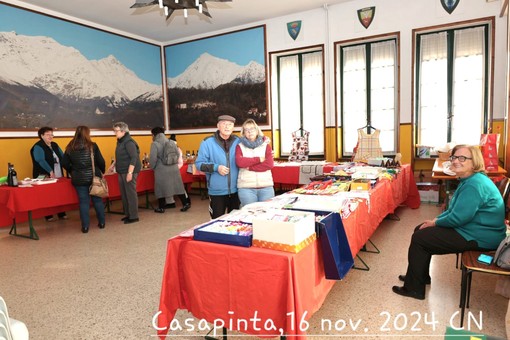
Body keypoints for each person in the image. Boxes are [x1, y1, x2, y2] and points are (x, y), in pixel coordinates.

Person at [393, 144, 507, 300]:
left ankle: (414, 289)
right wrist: (436, 220)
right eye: (454, 157)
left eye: (462, 158)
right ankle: (419, 276)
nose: (456, 161)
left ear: (474, 162)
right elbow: (454, 209)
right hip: (474, 230)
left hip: (480, 237)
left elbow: (458, 218)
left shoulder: (474, 184)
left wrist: (435, 223)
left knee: (420, 238)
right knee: (420, 229)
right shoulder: (470, 179)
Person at [62, 126, 106, 233]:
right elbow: (101, 161)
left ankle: (85, 227)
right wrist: (102, 171)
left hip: (78, 179)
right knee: (97, 200)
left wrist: (72, 170)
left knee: (83, 202)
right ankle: (102, 223)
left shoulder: (70, 146)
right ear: (87, 133)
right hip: (93, 177)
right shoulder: (92, 146)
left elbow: (64, 163)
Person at [195, 114, 240, 219]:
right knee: (216, 223)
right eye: (224, 124)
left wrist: (264, 142)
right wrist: (216, 168)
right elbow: (199, 164)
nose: (227, 127)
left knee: (235, 222)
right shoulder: (207, 142)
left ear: (233, 128)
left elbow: (253, 140)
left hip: (236, 191)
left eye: (230, 124)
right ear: (218, 126)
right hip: (217, 192)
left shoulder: (238, 141)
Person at [149, 127, 191, 213]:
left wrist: (152, 167)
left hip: (161, 169)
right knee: (178, 187)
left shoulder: (155, 144)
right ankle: (185, 203)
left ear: (154, 134)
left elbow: (152, 158)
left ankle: (161, 207)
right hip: (173, 167)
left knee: (160, 188)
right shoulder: (171, 142)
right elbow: (177, 153)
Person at [30, 126, 67, 222]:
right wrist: (50, 171)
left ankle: (61, 213)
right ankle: (48, 215)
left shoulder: (54, 145)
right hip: (44, 174)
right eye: (48, 135)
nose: (50, 137)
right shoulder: (38, 146)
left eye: (52, 134)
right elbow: (40, 160)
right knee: (47, 195)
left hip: (58, 172)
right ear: (42, 136)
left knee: (58, 193)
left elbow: (62, 156)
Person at [235, 118, 275, 207]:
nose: (250, 132)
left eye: (252, 128)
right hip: (246, 188)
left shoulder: (266, 145)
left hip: (266, 187)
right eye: (246, 129)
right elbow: (240, 162)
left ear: (257, 130)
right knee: (249, 215)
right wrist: (258, 159)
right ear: (243, 132)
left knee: (267, 214)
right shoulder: (239, 146)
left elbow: (269, 164)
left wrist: (250, 167)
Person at [110, 122, 142, 224]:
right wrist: (113, 165)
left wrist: (130, 172)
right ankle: (128, 214)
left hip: (129, 171)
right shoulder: (120, 141)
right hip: (121, 170)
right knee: (124, 194)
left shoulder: (129, 142)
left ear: (123, 131)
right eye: (114, 130)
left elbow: (134, 157)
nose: (115, 133)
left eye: (116, 131)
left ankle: (134, 216)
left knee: (130, 194)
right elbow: (120, 156)